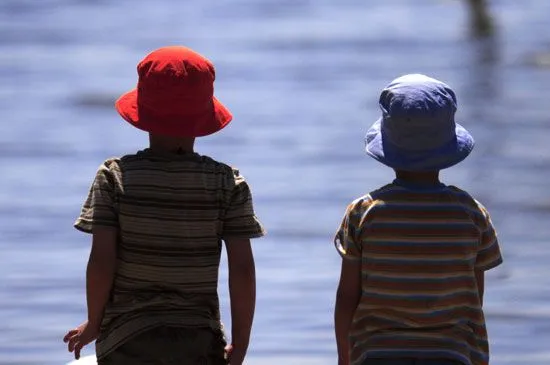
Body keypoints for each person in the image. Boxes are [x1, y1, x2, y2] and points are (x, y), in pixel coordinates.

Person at [63, 46, 265, 365]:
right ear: (203, 117)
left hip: (126, 339)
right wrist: (240, 345)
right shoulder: (227, 182)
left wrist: (93, 323)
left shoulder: (114, 177)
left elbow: (102, 260)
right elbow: (243, 270)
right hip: (199, 342)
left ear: (142, 114)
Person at [333, 74, 503, 365]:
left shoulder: (364, 212)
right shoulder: (471, 214)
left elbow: (348, 296)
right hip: (451, 355)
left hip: (377, 354)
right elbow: (473, 301)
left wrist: (344, 357)